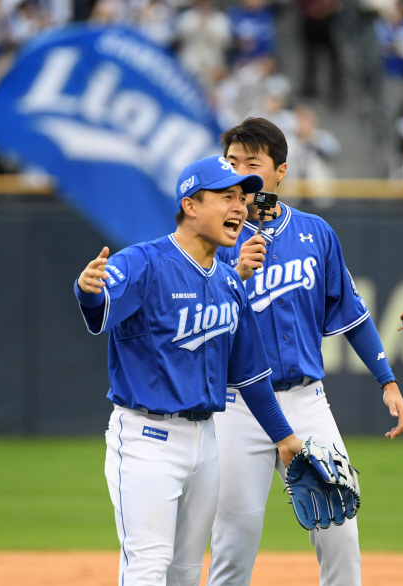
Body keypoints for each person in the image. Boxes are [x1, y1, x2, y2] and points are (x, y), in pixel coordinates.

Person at [74, 156, 306, 586]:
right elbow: (101, 299)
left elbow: (250, 374)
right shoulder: (144, 261)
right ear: (191, 205)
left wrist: (284, 436)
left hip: (206, 443)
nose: (240, 207)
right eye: (226, 197)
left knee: (184, 572)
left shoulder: (228, 280)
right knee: (148, 565)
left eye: (242, 197)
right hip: (147, 440)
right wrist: (87, 289)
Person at [207, 117, 403, 586]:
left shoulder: (316, 233)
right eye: (231, 163)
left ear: (279, 170)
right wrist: (233, 272)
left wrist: (388, 381)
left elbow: (355, 316)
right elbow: (198, 322)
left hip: (305, 401)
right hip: (238, 407)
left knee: (341, 533)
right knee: (233, 546)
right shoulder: (213, 238)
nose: (239, 173)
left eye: (251, 164)